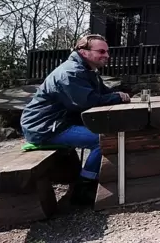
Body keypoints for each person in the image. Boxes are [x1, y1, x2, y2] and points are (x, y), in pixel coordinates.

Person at [20, 34, 130, 203]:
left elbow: (103, 93)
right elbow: (88, 101)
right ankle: (84, 187)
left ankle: (102, 177)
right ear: (83, 51)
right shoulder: (70, 72)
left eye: (107, 52)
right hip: (45, 126)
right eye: (101, 51)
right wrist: (117, 97)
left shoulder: (87, 70)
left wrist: (118, 95)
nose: (107, 55)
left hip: (59, 122)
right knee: (102, 140)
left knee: (111, 132)